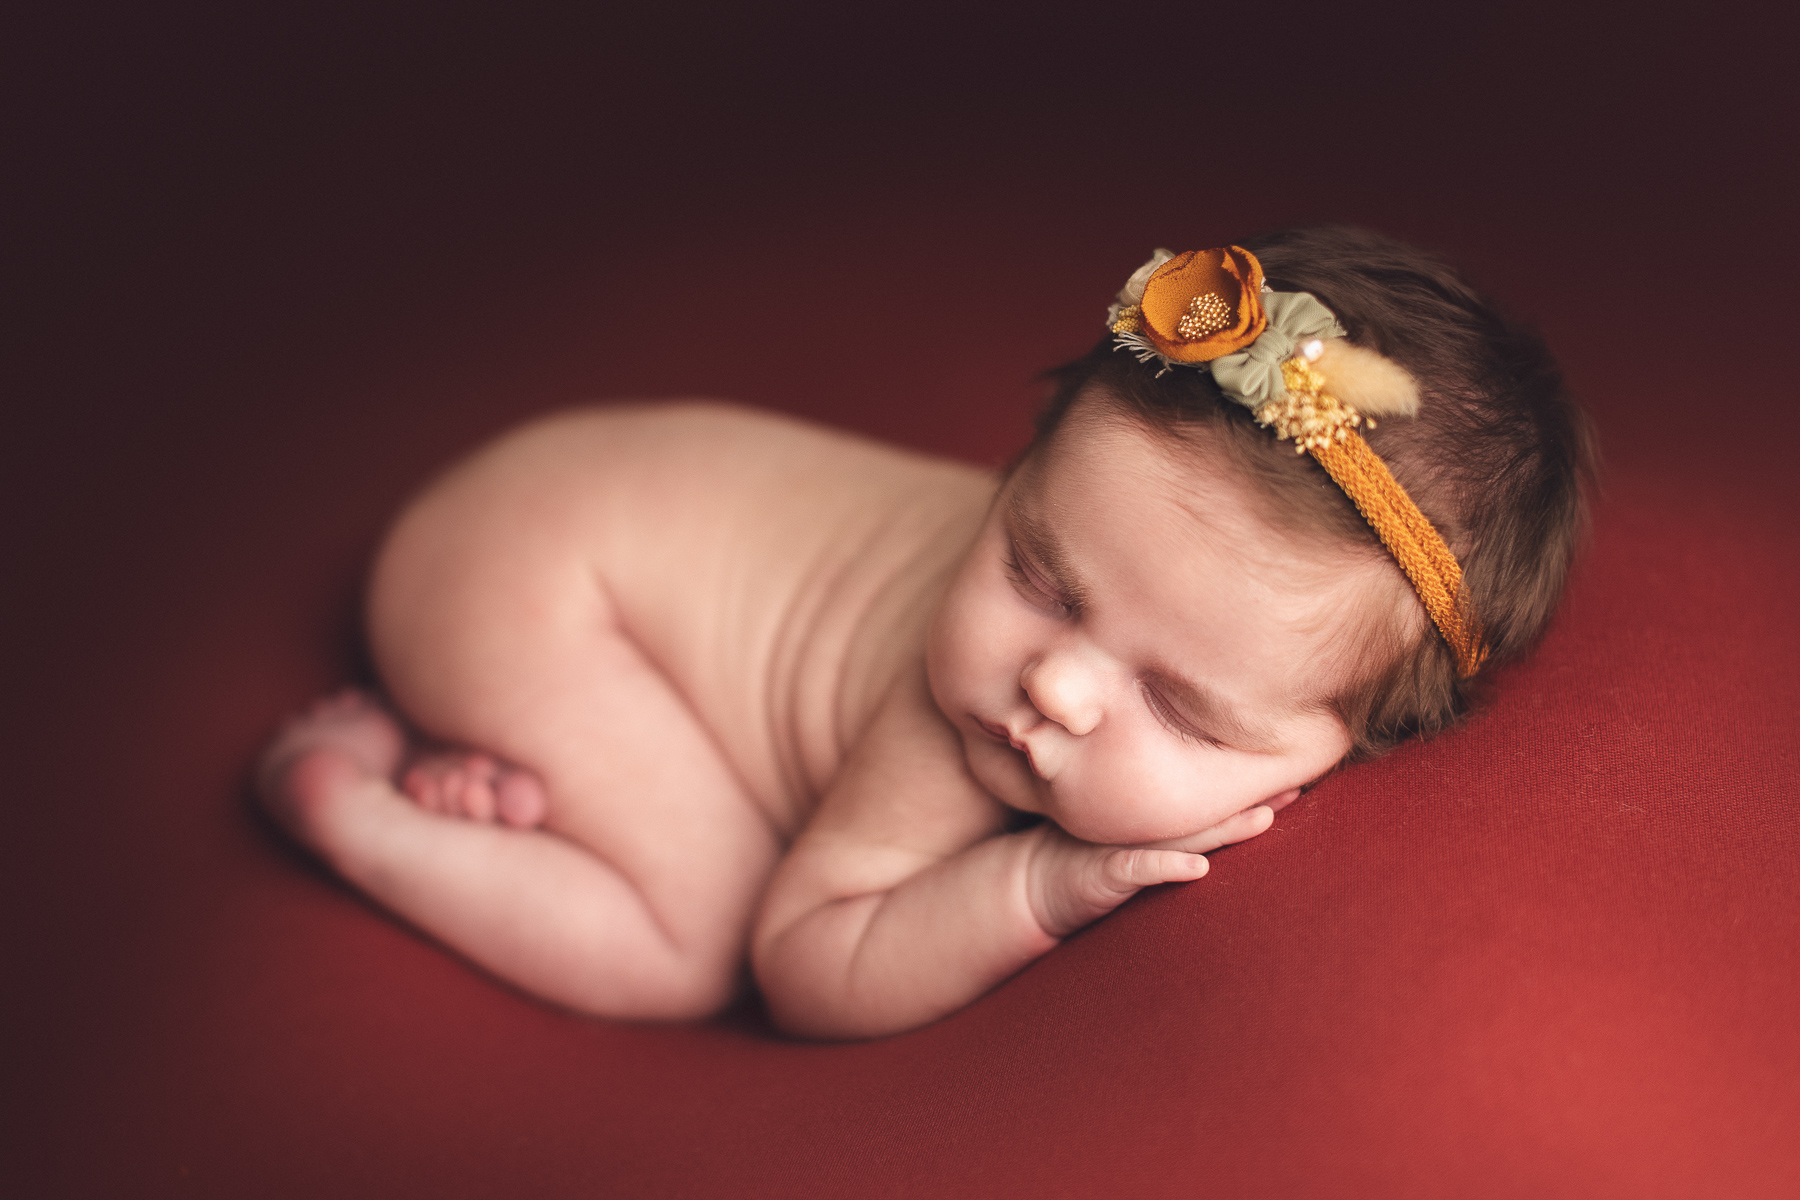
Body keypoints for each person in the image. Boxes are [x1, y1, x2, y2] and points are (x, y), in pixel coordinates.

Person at [258, 226, 1593, 1040]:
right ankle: (357, 813)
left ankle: (531, 779)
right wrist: (1025, 890)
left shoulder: (1143, 585)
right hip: (534, 577)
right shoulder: (948, 723)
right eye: (1038, 574)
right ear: (1023, 472)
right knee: (691, 940)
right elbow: (806, 962)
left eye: (1182, 710)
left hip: (578, 503)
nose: (1053, 683)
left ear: (1362, 737)